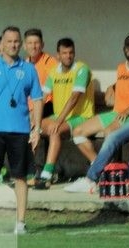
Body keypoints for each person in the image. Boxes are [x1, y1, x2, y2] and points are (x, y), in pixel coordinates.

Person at [63, 35, 129, 193]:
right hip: (116, 113)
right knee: (79, 132)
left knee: (109, 132)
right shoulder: (121, 67)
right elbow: (122, 86)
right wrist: (110, 89)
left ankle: (107, 178)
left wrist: (127, 111)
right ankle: (99, 167)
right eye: (127, 45)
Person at [0, 26, 43, 235]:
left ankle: (20, 223)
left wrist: (37, 128)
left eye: (16, 42)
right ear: (1, 44)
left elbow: (38, 100)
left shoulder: (29, 69)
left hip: (20, 131)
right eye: (9, 41)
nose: (13, 45)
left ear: (20, 44)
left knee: (20, 177)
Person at [34, 38, 95, 189]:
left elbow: (75, 97)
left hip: (82, 117)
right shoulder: (54, 72)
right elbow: (42, 98)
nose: (68, 56)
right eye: (64, 53)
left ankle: (47, 174)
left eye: (71, 52)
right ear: (58, 55)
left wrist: (58, 121)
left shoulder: (82, 69)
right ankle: (28, 172)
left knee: (55, 131)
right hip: (60, 117)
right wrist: (34, 120)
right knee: (31, 129)